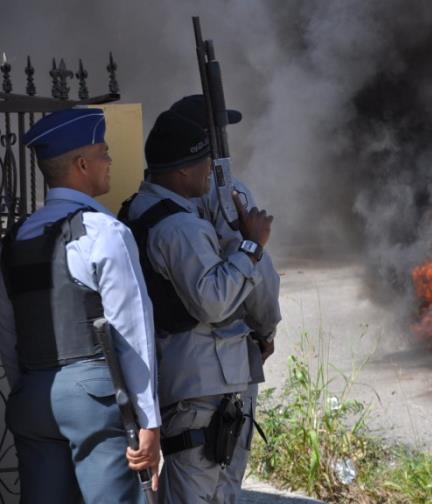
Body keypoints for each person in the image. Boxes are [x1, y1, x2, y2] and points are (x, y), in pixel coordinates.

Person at [0, 108, 161, 503]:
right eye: (104, 153)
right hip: (95, 400)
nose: (110, 162)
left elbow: (7, 331)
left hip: (33, 398)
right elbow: (132, 333)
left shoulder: (16, 238)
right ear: (82, 164)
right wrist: (150, 422)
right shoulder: (104, 232)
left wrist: (27, 388)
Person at [119, 109, 273, 503]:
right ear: (183, 171)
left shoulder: (153, 210)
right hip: (200, 388)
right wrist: (251, 246)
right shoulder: (180, 227)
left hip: (197, 384)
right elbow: (214, 302)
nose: (211, 170)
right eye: (204, 161)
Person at [168, 94, 281, 502]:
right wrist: (267, 329)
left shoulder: (159, 199)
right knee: (222, 480)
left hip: (177, 368)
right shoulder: (228, 191)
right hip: (227, 361)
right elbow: (260, 273)